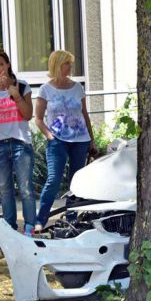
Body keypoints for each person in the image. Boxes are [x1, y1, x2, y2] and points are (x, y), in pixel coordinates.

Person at [35, 50, 95, 230]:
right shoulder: (45, 89)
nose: (70, 67)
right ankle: (40, 220)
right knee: (53, 179)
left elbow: (84, 114)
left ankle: (72, 219)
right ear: (57, 65)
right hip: (57, 140)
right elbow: (37, 118)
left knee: (76, 181)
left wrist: (91, 141)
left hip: (80, 139)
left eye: (70, 63)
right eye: (66, 63)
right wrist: (50, 137)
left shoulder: (78, 88)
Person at [0, 50, 36, 241]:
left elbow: (28, 115)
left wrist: (17, 96)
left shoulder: (22, 86)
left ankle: (29, 228)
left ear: (8, 65)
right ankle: (9, 227)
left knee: (26, 188)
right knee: (4, 189)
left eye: (1, 64)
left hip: (20, 143)